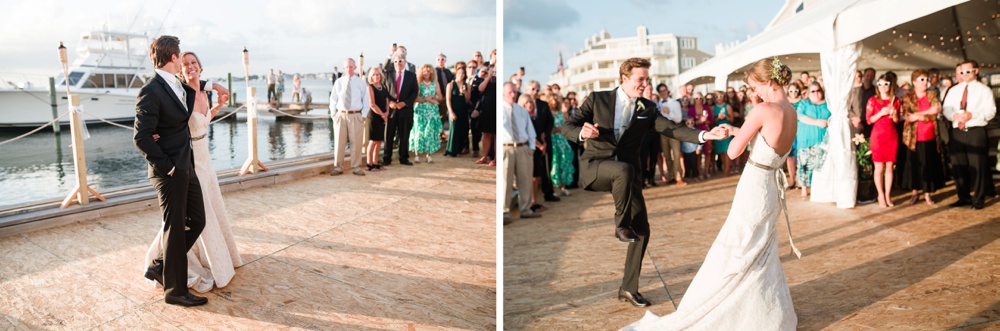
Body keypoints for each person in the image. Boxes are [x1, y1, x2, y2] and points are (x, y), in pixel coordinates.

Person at [622, 57, 800, 331]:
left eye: (755, 87)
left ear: (768, 82)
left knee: (738, 249)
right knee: (760, 248)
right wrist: (739, 130)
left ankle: (731, 313)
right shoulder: (790, 110)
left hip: (755, 185)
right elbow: (768, 143)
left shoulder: (763, 109)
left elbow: (732, 152)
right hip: (772, 187)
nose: (754, 94)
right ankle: (765, 315)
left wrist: (734, 135)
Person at [562, 58, 727, 308]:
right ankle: (621, 224)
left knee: (643, 230)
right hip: (596, 168)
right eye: (641, 79)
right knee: (623, 171)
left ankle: (628, 288)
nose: (645, 84)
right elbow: (568, 126)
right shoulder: (597, 99)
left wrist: (704, 135)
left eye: (647, 79)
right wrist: (582, 132)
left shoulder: (647, 108)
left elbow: (671, 128)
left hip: (629, 177)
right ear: (624, 79)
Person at [145, 50, 240, 294]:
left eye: (193, 62)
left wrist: (217, 100)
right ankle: (163, 261)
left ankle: (210, 256)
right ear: (178, 66)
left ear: (200, 65)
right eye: (185, 63)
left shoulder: (200, 92)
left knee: (204, 211)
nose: (189, 66)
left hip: (205, 157)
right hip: (189, 158)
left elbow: (202, 119)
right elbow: (172, 121)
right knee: (191, 214)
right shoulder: (179, 93)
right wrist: (158, 136)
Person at [133, 35, 208, 307]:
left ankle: (159, 265)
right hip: (170, 171)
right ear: (174, 58)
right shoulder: (151, 90)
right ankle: (175, 290)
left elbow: (188, 95)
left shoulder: (174, 84)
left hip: (187, 165)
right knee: (175, 228)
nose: (182, 63)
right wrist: (170, 167)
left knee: (198, 220)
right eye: (180, 58)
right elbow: (141, 137)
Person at [943, 60, 997, 210]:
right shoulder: (954, 90)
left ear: (976, 71)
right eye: (962, 72)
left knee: (978, 167)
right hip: (957, 132)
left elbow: (991, 111)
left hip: (975, 131)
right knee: (958, 166)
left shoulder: (984, 90)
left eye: (968, 71)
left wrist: (972, 115)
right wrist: (954, 116)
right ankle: (963, 197)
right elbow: (946, 109)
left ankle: (978, 199)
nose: (965, 75)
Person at [899, 70, 945, 205]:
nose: (925, 82)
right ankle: (915, 192)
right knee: (913, 164)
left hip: (929, 135)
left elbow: (934, 114)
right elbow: (908, 115)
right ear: (914, 82)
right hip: (913, 137)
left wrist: (919, 115)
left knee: (928, 163)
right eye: (921, 80)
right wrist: (926, 113)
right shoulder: (908, 96)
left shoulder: (932, 94)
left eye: (926, 79)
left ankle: (927, 193)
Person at [502, 82, 540, 223]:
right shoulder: (499, 109)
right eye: (510, 92)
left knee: (525, 180)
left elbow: (530, 130)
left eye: (515, 92)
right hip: (506, 148)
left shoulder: (521, 110)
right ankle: (504, 212)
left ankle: (526, 209)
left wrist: (531, 148)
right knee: (505, 181)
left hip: (523, 148)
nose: (513, 94)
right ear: (504, 93)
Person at [329, 58, 370, 176]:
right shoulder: (339, 82)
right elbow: (333, 100)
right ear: (344, 68)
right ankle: (338, 167)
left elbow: (366, 100)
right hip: (341, 115)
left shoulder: (361, 82)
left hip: (356, 115)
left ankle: (356, 167)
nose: (349, 69)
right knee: (339, 143)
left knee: (356, 143)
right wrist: (333, 115)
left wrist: (363, 116)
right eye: (347, 67)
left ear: (355, 68)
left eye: (351, 67)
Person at [866, 74, 901, 207]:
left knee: (890, 167)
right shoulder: (872, 100)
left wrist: (894, 113)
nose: (883, 87)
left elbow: (897, 121)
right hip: (878, 136)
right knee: (879, 168)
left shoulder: (896, 100)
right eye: (880, 84)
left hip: (891, 135)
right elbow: (869, 120)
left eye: (886, 84)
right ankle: (880, 194)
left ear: (890, 85)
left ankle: (888, 195)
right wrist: (881, 113)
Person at [796, 82, 831, 198]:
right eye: (813, 91)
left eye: (818, 91)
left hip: (823, 141)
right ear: (808, 93)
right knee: (805, 164)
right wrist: (817, 122)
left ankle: (819, 188)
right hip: (806, 139)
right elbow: (800, 116)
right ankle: (804, 188)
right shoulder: (804, 103)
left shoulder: (828, 104)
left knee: (820, 164)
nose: (816, 93)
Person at [383, 54, 418, 166]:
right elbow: (384, 92)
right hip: (391, 110)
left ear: (405, 62)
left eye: (400, 61)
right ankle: (386, 159)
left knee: (404, 136)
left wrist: (405, 103)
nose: (398, 63)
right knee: (388, 135)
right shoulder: (387, 75)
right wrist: (390, 102)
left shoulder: (411, 76)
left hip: (405, 110)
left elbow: (414, 92)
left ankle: (403, 158)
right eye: (396, 61)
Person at [410, 64, 443, 163]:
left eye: (428, 71)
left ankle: (428, 155)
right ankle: (417, 155)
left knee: (429, 132)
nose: (426, 73)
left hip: (431, 112)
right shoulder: (418, 83)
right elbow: (415, 98)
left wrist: (433, 97)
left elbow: (440, 97)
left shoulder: (435, 83)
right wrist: (426, 99)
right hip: (420, 110)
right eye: (424, 71)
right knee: (418, 132)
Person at [657, 83, 685, 186]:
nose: (663, 92)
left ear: (667, 91)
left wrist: (669, 112)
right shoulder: (658, 104)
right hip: (663, 131)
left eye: (665, 90)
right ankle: (671, 176)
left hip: (674, 130)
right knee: (667, 155)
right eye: (661, 91)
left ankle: (679, 177)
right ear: (659, 93)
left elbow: (679, 119)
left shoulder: (675, 103)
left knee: (677, 154)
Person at [445, 61, 471, 157]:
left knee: (462, 129)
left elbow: (468, 99)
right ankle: (451, 150)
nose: (461, 75)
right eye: (459, 73)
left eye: (463, 73)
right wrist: (451, 112)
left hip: (463, 110)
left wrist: (465, 92)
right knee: (453, 128)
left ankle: (459, 150)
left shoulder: (467, 85)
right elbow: (448, 99)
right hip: (454, 108)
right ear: (456, 73)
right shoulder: (450, 85)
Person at [366, 67, 389, 171]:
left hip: (383, 116)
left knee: (379, 141)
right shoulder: (370, 87)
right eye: (374, 75)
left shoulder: (383, 86)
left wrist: (387, 113)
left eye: (378, 74)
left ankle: (376, 163)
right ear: (371, 76)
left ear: (381, 75)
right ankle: (369, 164)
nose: (376, 76)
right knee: (373, 141)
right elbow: (372, 104)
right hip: (374, 116)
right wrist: (382, 114)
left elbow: (387, 100)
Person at [784, 83, 803, 189]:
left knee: (799, 155)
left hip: (800, 129)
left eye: (795, 91)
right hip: (789, 130)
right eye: (791, 91)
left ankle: (800, 179)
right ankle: (792, 179)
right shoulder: (785, 102)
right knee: (790, 156)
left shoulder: (802, 101)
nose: (793, 93)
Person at [435, 53, 455, 125]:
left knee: (443, 116)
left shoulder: (448, 72)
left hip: (446, 97)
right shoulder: (434, 71)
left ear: (445, 61)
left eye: (442, 59)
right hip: (435, 97)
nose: (440, 61)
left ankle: (441, 132)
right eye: (438, 59)